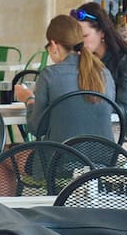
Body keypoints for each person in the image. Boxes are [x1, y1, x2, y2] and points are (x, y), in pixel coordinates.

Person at [16, 14, 116, 143]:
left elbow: (37, 128)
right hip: (104, 159)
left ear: (53, 44)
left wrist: (29, 100)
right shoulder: (104, 73)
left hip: (59, 160)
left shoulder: (49, 75)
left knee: (5, 160)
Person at [73, 0, 127, 139]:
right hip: (92, 129)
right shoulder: (81, 59)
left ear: (101, 33)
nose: (80, 43)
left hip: (126, 133)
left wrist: (88, 109)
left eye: (85, 36)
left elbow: (125, 110)